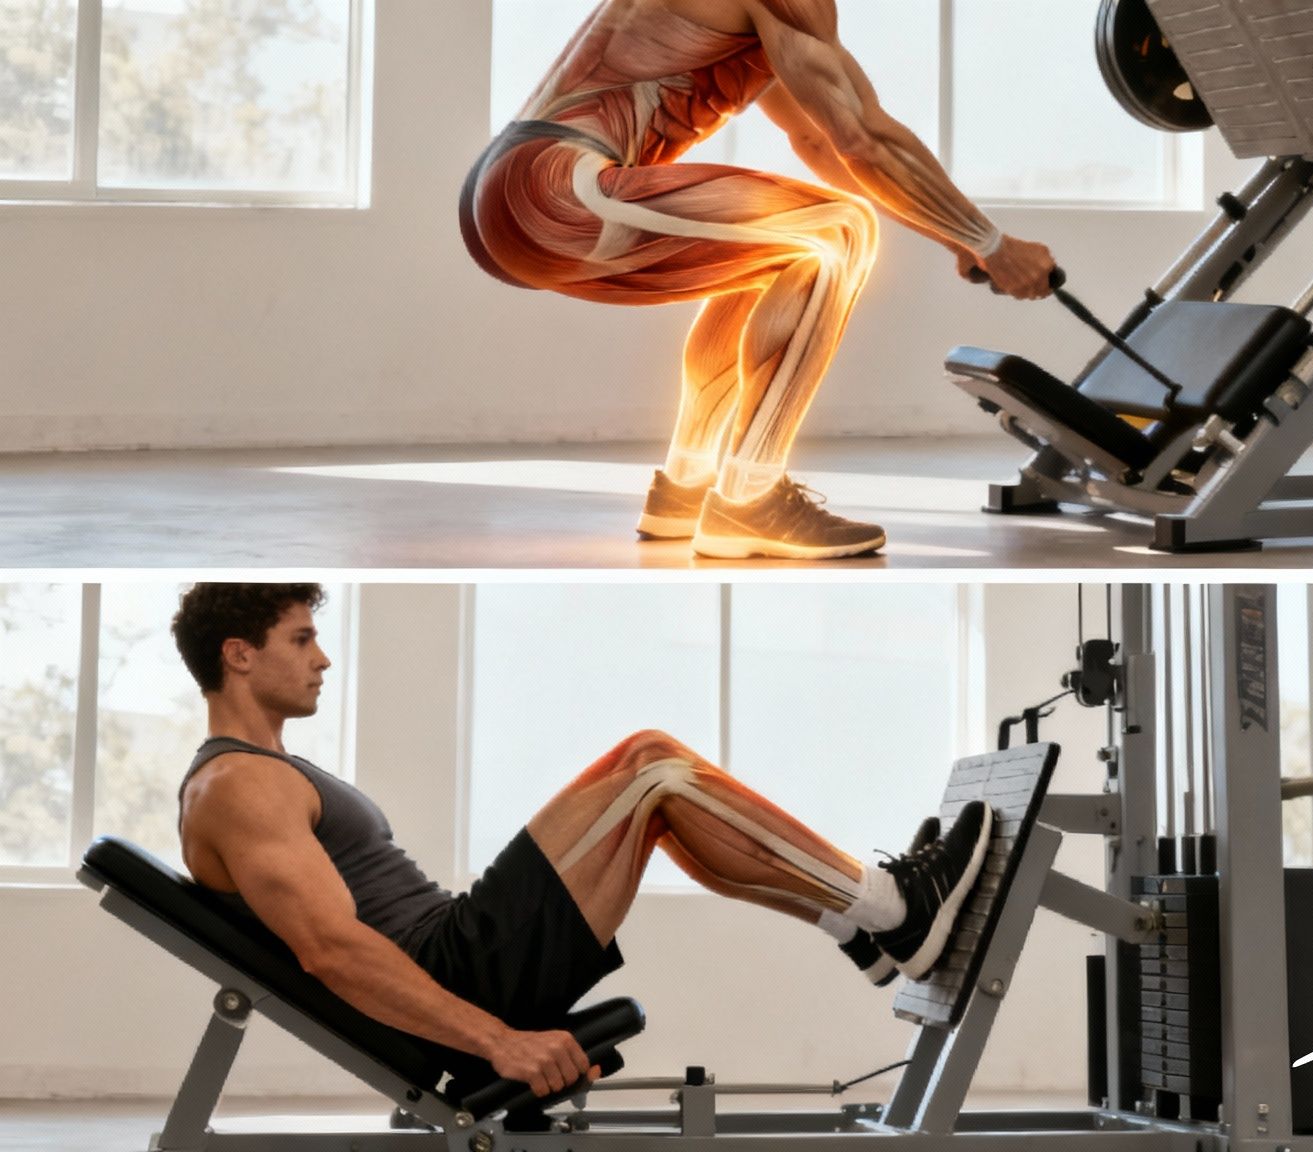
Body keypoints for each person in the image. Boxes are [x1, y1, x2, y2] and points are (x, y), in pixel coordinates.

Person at [170, 583, 990, 1100]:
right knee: (650, 763)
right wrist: (500, 1042)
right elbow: (330, 949)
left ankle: (862, 929)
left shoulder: (269, 771)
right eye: (301, 639)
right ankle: (893, 905)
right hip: (459, 965)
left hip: (459, 947)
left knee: (662, 805)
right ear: (239, 655)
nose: (323, 659)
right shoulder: (238, 786)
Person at [460, 0, 1059, 559]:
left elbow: (816, 142)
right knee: (842, 231)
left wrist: (954, 237)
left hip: (506, 192)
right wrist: (991, 242)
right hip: (556, 192)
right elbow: (863, 137)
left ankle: (685, 487)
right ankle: (751, 497)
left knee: (770, 256)